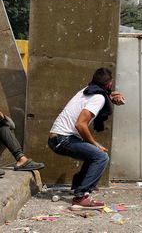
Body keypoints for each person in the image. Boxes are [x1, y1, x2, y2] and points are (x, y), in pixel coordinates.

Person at [48, 67, 124, 210]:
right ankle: (80, 197)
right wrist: (95, 143)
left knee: (93, 154)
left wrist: (112, 97)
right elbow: (80, 124)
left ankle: (77, 186)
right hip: (63, 139)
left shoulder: (88, 89)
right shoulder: (99, 98)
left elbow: (104, 94)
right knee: (101, 157)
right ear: (109, 83)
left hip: (56, 138)